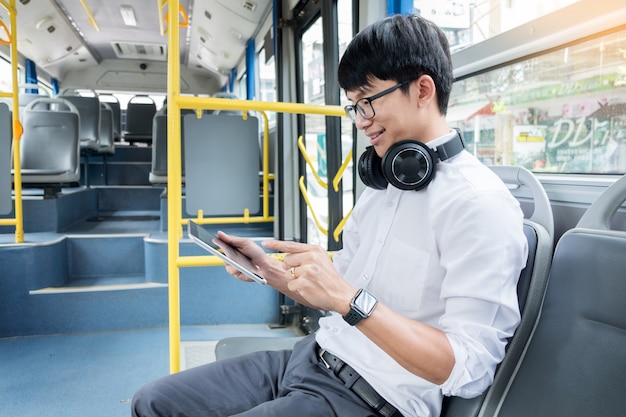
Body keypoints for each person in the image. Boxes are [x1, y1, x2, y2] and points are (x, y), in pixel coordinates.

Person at [132, 13, 527, 417]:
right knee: (152, 402)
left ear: (422, 89)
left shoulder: (479, 205)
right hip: (310, 357)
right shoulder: (385, 185)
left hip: (370, 397)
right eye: (353, 107)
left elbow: (469, 367)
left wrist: (349, 300)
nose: (361, 122)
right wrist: (270, 270)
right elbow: (340, 290)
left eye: (368, 102)